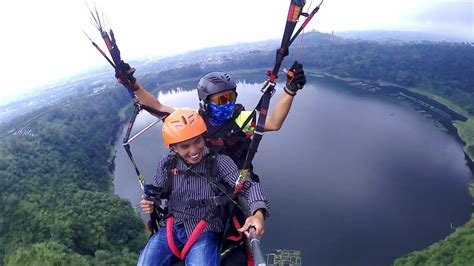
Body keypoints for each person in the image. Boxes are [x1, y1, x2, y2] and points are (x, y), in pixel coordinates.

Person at [116, 61, 306, 171]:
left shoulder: (242, 119)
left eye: (230, 97)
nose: (228, 104)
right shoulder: (194, 121)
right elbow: (157, 106)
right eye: (221, 99)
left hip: (236, 180)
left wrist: (290, 90)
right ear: (205, 102)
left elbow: (273, 123)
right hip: (205, 180)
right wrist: (132, 84)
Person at [137, 109, 270, 266]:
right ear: (173, 147)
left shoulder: (219, 161)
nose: (193, 151)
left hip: (206, 229)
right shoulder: (166, 163)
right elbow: (158, 193)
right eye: (185, 146)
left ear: (204, 137)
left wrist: (258, 214)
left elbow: (248, 185)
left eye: (198, 141)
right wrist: (150, 203)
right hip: (171, 228)